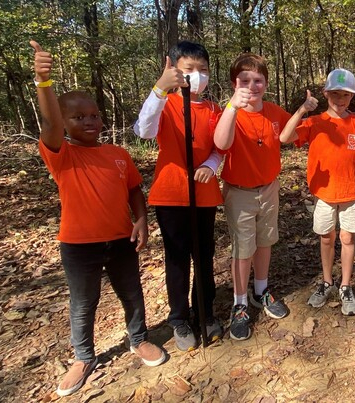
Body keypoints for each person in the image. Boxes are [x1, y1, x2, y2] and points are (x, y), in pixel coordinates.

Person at [31, 40, 165, 397]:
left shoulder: (118, 153)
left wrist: (141, 220)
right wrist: (44, 81)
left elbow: (135, 190)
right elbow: (49, 123)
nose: (89, 121)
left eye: (93, 115)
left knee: (132, 294)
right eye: (78, 117)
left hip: (121, 238)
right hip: (78, 245)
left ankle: (139, 340)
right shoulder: (61, 153)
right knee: (83, 301)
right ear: (64, 122)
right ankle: (84, 357)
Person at [134, 41, 223, 351]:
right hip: (171, 192)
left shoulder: (213, 109)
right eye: (189, 70)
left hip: (205, 192)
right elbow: (144, 130)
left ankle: (206, 312)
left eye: (203, 70)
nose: (197, 76)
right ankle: (179, 318)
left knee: (204, 255)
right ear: (173, 68)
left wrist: (211, 166)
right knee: (177, 258)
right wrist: (160, 89)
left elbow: (219, 147)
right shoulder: (166, 103)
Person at [279, 69, 355, 316]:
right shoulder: (315, 122)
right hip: (324, 194)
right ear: (325, 94)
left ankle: (344, 285)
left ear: (352, 97)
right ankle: (326, 281)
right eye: (334, 94)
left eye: (345, 95)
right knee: (326, 237)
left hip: (351, 193)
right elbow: (285, 137)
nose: (340, 99)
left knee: (348, 239)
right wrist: (302, 110)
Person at [214, 53, 291, 341]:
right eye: (244, 80)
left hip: (269, 187)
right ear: (234, 83)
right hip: (239, 192)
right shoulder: (231, 111)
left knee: (265, 240)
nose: (252, 85)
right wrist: (233, 106)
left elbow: (293, 132)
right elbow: (221, 144)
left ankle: (261, 290)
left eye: (258, 80)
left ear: (266, 83)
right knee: (242, 248)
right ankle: (240, 302)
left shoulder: (273, 111)